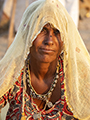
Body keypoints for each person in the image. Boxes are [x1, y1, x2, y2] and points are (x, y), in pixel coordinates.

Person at [0, 0, 90, 120]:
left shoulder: (77, 77)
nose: (49, 41)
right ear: (28, 33)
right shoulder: (13, 70)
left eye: (57, 32)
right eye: (42, 30)